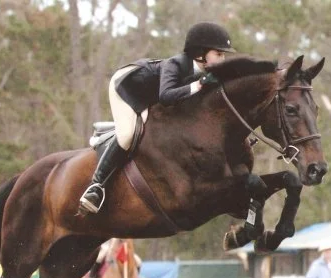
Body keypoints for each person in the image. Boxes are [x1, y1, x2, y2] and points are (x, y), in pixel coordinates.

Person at [78, 21, 236, 216]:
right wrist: (200, 85)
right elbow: (166, 96)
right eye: (219, 54)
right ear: (200, 54)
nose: (223, 59)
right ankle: (96, 186)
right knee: (128, 134)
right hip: (127, 87)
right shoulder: (176, 64)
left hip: (149, 95)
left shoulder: (207, 74)